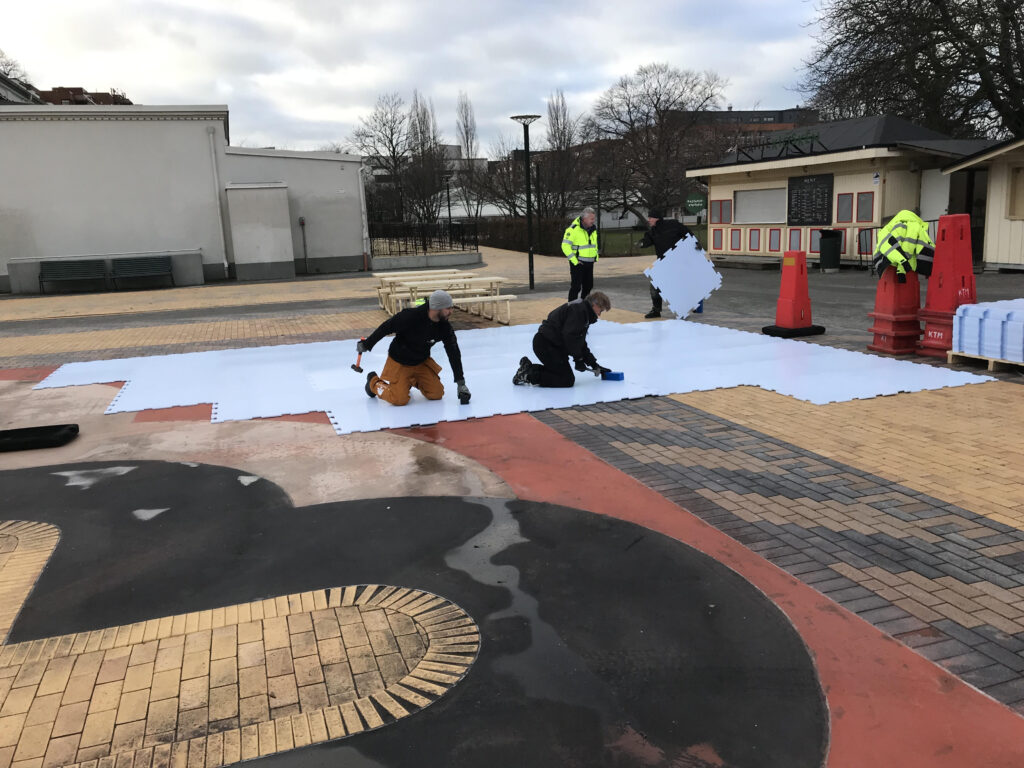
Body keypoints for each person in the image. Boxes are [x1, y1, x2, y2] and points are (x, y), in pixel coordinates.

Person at [359, 289, 471, 406]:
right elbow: (386, 327)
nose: (451, 311)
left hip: (420, 362)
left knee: (436, 394)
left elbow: (453, 351)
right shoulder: (410, 317)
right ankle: (373, 382)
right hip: (400, 362)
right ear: (436, 308)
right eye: (448, 308)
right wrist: (367, 344)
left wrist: (461, 383)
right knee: (399, 399)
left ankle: (408, 381)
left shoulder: (444, 327)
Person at [513, 291, 612, 388]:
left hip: (552, 345)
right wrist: (578, 359)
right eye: (601, 310)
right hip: (546, 345)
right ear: (595, 305)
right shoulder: (579, 312)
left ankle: (528, 368)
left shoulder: (583, 311)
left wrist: (594, 365)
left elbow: (580, 342)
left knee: (561, 374)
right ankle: (527, 375)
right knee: (566, 379)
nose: (599, 315)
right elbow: (570, 338)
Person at [639, 207, 693, 318]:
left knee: (677, 287)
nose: (648, 220)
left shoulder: (673, 225)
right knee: (654, 286)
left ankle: (683, 310)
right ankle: (656, 310)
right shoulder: (652, 232)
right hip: (663, 264)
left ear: (656, 218)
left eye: (650, 218)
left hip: (678, 262)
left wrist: (695, 242)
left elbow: (687, 232)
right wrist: (641, 243)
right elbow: (646, 241)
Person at [871, 208, 935, 282]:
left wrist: (902, 264)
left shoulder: (889, 227)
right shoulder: (916, 227)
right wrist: (929, 268)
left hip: (889, 264)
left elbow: (885, 244)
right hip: (909, 268)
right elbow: (912, 246)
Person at [562, 207, 599, 301]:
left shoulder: (593, 229)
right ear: (584, 219)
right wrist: (575, 261)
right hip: (578, 263)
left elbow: (593, 244)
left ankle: (583, 307)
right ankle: (571, 309)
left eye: (594, 218)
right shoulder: (573, 229)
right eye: (591, 219)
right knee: (576, 287)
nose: (593, 221)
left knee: (588, 286)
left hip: (590, 263)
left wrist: (595, 257)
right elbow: (565, 246)